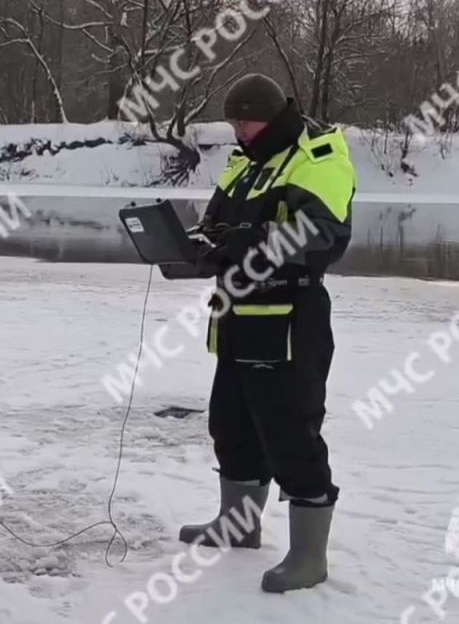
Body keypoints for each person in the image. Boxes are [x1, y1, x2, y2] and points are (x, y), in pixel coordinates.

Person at [178, 73, 356, 593]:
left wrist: (247, 240)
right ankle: (238, 524)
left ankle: (308, 557)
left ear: (272, 116)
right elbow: (218, 225)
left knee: (291, 434)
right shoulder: (247, 161)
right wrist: (196, 247)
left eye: (246, 122)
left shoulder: (317, 156)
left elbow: (323, 234)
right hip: (238, 315)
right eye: (233, 123)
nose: (239, 132)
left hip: (290, 319)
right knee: (229, 425)